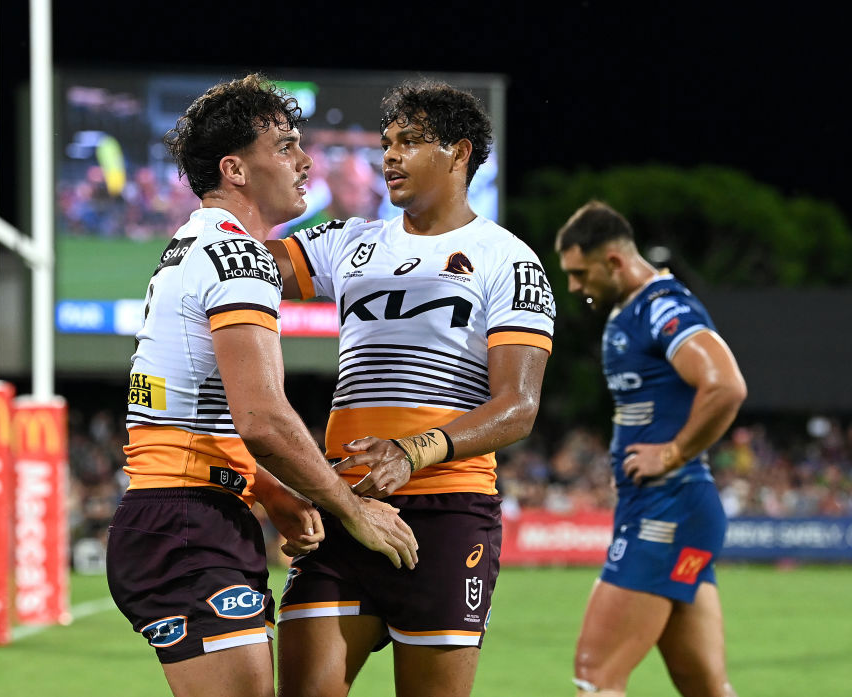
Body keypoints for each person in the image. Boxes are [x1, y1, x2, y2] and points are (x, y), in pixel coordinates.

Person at [104, 74, 418, 697]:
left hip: (186, 513)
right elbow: (262, 419)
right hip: (188, 521)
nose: (305, 161)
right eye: (284, 146)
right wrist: (352, 509)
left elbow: (199, 408)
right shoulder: (240, 257)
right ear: (235, 169)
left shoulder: (193, 245)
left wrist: (270, 491)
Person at [267, 79, 555, 697]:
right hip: (347, 508)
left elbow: (518, 406)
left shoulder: (508, 260)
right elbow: (239, 266)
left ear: (460, 153)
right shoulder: (349, 241)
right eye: (387, 143)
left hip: (448, 514)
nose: (390, 156)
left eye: (411, 142)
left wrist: (411, 452)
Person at [554, 200, 746, 697]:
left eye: (579, 273)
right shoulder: (633, 310)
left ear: (614, 261)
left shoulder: (663, 307)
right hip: (675, 513)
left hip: (666, 512)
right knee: (704, 686)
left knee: (596, 676)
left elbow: (725, 386)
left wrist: (673, 453)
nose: (573, 286)